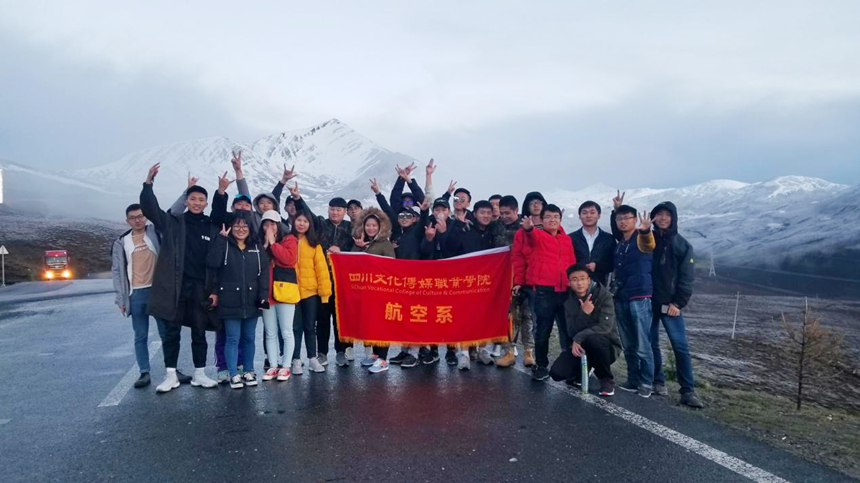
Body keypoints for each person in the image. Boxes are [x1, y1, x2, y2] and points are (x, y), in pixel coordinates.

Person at [139, 163, 227, 393]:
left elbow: (216, 265)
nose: (197, 203)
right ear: (186, 201)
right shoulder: (173, 222)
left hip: (200, 287)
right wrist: (148, 182)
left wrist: (214, 290)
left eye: (201, 200)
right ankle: (171, 375)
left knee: (199, 331)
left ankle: (200, 374)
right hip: (174, 287)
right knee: (172, 332)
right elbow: (150, 209)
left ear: (206, 204)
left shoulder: (212, 227)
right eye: (193, 199)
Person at [111, 204, 191, 388]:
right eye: (133, 218)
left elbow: (172, 212)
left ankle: (172, 370)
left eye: (140, 216)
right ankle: (144, 373)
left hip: (158, 291)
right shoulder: (121, 242)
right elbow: (117, 271)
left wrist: (187, 193)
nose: (137, 220)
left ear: (146, 217)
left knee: (166, 333)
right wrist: (120, 298)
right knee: (140, 335)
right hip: (136, 293)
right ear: (127, 221)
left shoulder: (156, 232)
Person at [290, 185, 353, 368]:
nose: (335, 212)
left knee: (341, 319)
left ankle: (341, 352)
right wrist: (297, 198)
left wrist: (342, 250)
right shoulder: (320, 224)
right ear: (328, 210)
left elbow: (358, 247)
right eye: (332, 209)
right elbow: (306, 214)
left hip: (343, 282)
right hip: (321, 281)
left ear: (345, 212)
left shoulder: (351, 228)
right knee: (322, 319)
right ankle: (322, 353)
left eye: (339, 209)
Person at [649, 202, 703, 408]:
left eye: (667, 215)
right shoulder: (647, 240)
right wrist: (618, 211)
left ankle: (687, 390)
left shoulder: (682, 245)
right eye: (659, 214)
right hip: (649, 302)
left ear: (673, 218)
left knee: (680, 346)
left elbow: (687, 277)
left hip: (671, 305)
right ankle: (658, 382)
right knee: (651, 344)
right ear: (653, 218)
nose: (663, 218)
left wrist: (678, 303)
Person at [206, 211, 269, 389]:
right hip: (229, 300)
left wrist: (263, 297)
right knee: (232, 339)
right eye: (237, 225)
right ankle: (233, 373)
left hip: (251, 299)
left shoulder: (256, 247)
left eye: (244, 225)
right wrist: (221, 239)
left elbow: (264, 274)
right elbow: (212, 263)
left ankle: (248, 371)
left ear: (250, 228)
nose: (241, 229)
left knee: (249, 338)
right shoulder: (224, 244)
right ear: (231, 227)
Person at [514, 204, 576, 381]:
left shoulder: (566, 240)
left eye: (556, 217)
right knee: (543, 330)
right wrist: (528, 229)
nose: (552, 220)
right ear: (541, 220)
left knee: (568, 331)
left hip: (566, 291)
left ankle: (570, 367)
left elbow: (572, 262)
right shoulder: (538, 235)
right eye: (548, 217)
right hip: (544, 291)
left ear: (560, 219)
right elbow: (531, 236)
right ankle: (541, 365)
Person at [609, 191, 657, 398]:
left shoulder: (641, 239)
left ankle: (647, 382)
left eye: (626, 218)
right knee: (628, 342)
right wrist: (616, 208)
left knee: (643, 343)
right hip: (621, 297)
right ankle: (633, 379)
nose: (622, 221)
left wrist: (646, 231)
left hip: (639, 297)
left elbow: (649, 243)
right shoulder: (621, 243)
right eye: (619, 218)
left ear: (635, 220)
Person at [550, 264, 621, 397]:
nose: (579, 283)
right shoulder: (569, 300)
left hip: (605, 346)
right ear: (569, 282)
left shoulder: (603, 295)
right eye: (575, 279)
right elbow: (571, 331)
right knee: (557, 373)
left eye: (583, 278)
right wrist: (584, 313)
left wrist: (579, 337)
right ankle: (585, 367)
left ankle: (606, 379)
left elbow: (605, 327)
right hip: (580, 347)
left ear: (589, 280)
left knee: (593, 339)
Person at [286, 200, 332, 375]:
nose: (302, 224)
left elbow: (322, 270)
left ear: (309, 224)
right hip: (291, 292)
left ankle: (312, 358)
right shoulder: (287, 240)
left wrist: (324, 294)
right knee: (295, 327)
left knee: (309, 326)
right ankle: (296, 360)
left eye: (305, 221)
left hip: (310, 292)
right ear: (294, 222)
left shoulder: (314, 244)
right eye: (299, 220)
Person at [350, 207, 396, 374]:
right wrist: (359, 247)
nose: (370, 228)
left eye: (374, 225)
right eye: (367, 225)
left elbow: (391, 266)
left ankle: (383, 359)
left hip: (381, 291)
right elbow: (352, 262)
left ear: (380, 227)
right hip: (365, 292)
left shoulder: (385, 244)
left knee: (382, 326)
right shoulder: (360, 243)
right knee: (370, 324)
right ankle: (375, 355)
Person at [387, 199, 431, 369]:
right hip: (400, 282)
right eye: (401, 216)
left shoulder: (417, 232)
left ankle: (414, 353)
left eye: (408, 216)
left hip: (415, 281)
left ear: (414, 219)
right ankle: (405, 350)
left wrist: (425, 211)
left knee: (414, 317)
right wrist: (378, 194)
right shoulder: (397, 235)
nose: (404, 218)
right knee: (403, 318)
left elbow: (423, 221)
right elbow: (388, 210)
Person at [492, 196, 535, 368]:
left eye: (507, 213)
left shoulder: (526, 226)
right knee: (507, 316)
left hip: (525, 277)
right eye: (501, 213)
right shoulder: (495, 227)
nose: (504, 216)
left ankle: (529, 352)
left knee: (527, 316)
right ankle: (508, 352)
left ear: (516, 210)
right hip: (503, 278)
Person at [260, 210, 299, 382]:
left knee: (286, 331)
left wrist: (273, 244)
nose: (269, 228)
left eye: (273, 224)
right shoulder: (259, 243)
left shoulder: (289, 239)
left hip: (284, 291)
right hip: (266, 293)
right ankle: (273, 365)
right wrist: (265, 245)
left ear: (279, 225)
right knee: (270, 332)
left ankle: (286, 366)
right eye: (266, 224)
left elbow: (289, 259)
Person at [570, 201, 616, 286]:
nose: (588, 216)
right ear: (579, 216)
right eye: (584, 213)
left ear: (599, 215)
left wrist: (597, 266)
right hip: (576, 285)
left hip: (600, 285)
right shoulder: (570, 238)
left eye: (592, 212)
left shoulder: (608, 239)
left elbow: (613, 263)